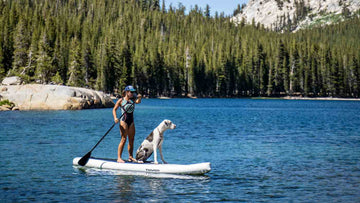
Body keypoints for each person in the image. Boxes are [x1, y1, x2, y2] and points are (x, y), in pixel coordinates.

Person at [112, 85, 142, 163]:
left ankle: (130, 157)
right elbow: (114, 109)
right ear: (126, 92)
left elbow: (138, 102)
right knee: (123, 139)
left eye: (133, 92)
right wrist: (115, 118)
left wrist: (139, 97)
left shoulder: (133, 100)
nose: (132, 93)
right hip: (123, 121)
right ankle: (119, 158)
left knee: (131, 139)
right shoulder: (121, 100)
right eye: (131, 92)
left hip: (131, 122)